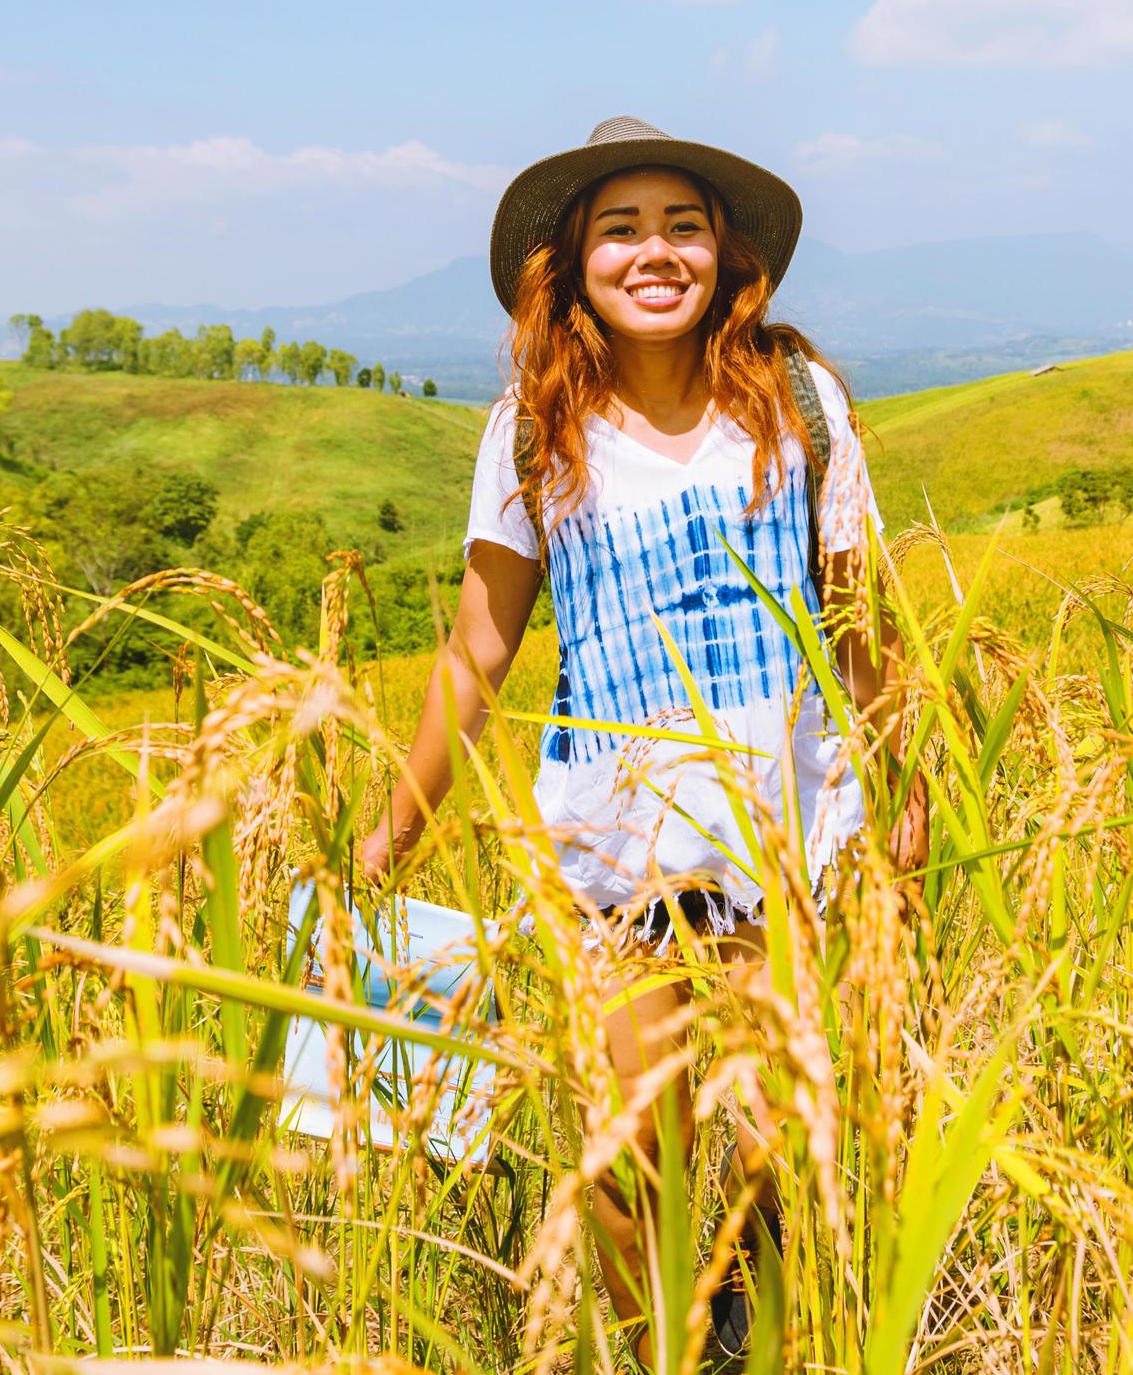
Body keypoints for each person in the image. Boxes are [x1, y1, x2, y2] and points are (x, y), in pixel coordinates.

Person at [355, 116, 894, 1365]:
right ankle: (664, 1351)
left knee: (785, 1149)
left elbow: (862, 625)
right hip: (616, 865)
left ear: (723, 252)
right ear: (572, 263)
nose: (655, 251)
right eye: (621, 229)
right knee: (628, 1156)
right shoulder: (534, 429)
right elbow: (477, 650)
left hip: (791, 850)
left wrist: (908, 798)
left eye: (682, 225)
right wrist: (380, 846)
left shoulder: (798, 405)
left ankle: (769, 1341)